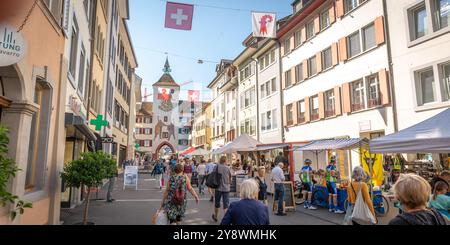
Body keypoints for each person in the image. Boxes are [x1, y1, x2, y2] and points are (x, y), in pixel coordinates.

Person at [212, 156, 232, 222]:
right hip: (226, 188)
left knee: (217, 203)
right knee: (226, 205)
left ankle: (215, 216)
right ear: (225, 161)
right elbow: (230, 179)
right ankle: (226, 220)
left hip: (218, 188)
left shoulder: (216, 167)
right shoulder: (227, 168)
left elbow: (213, 175)